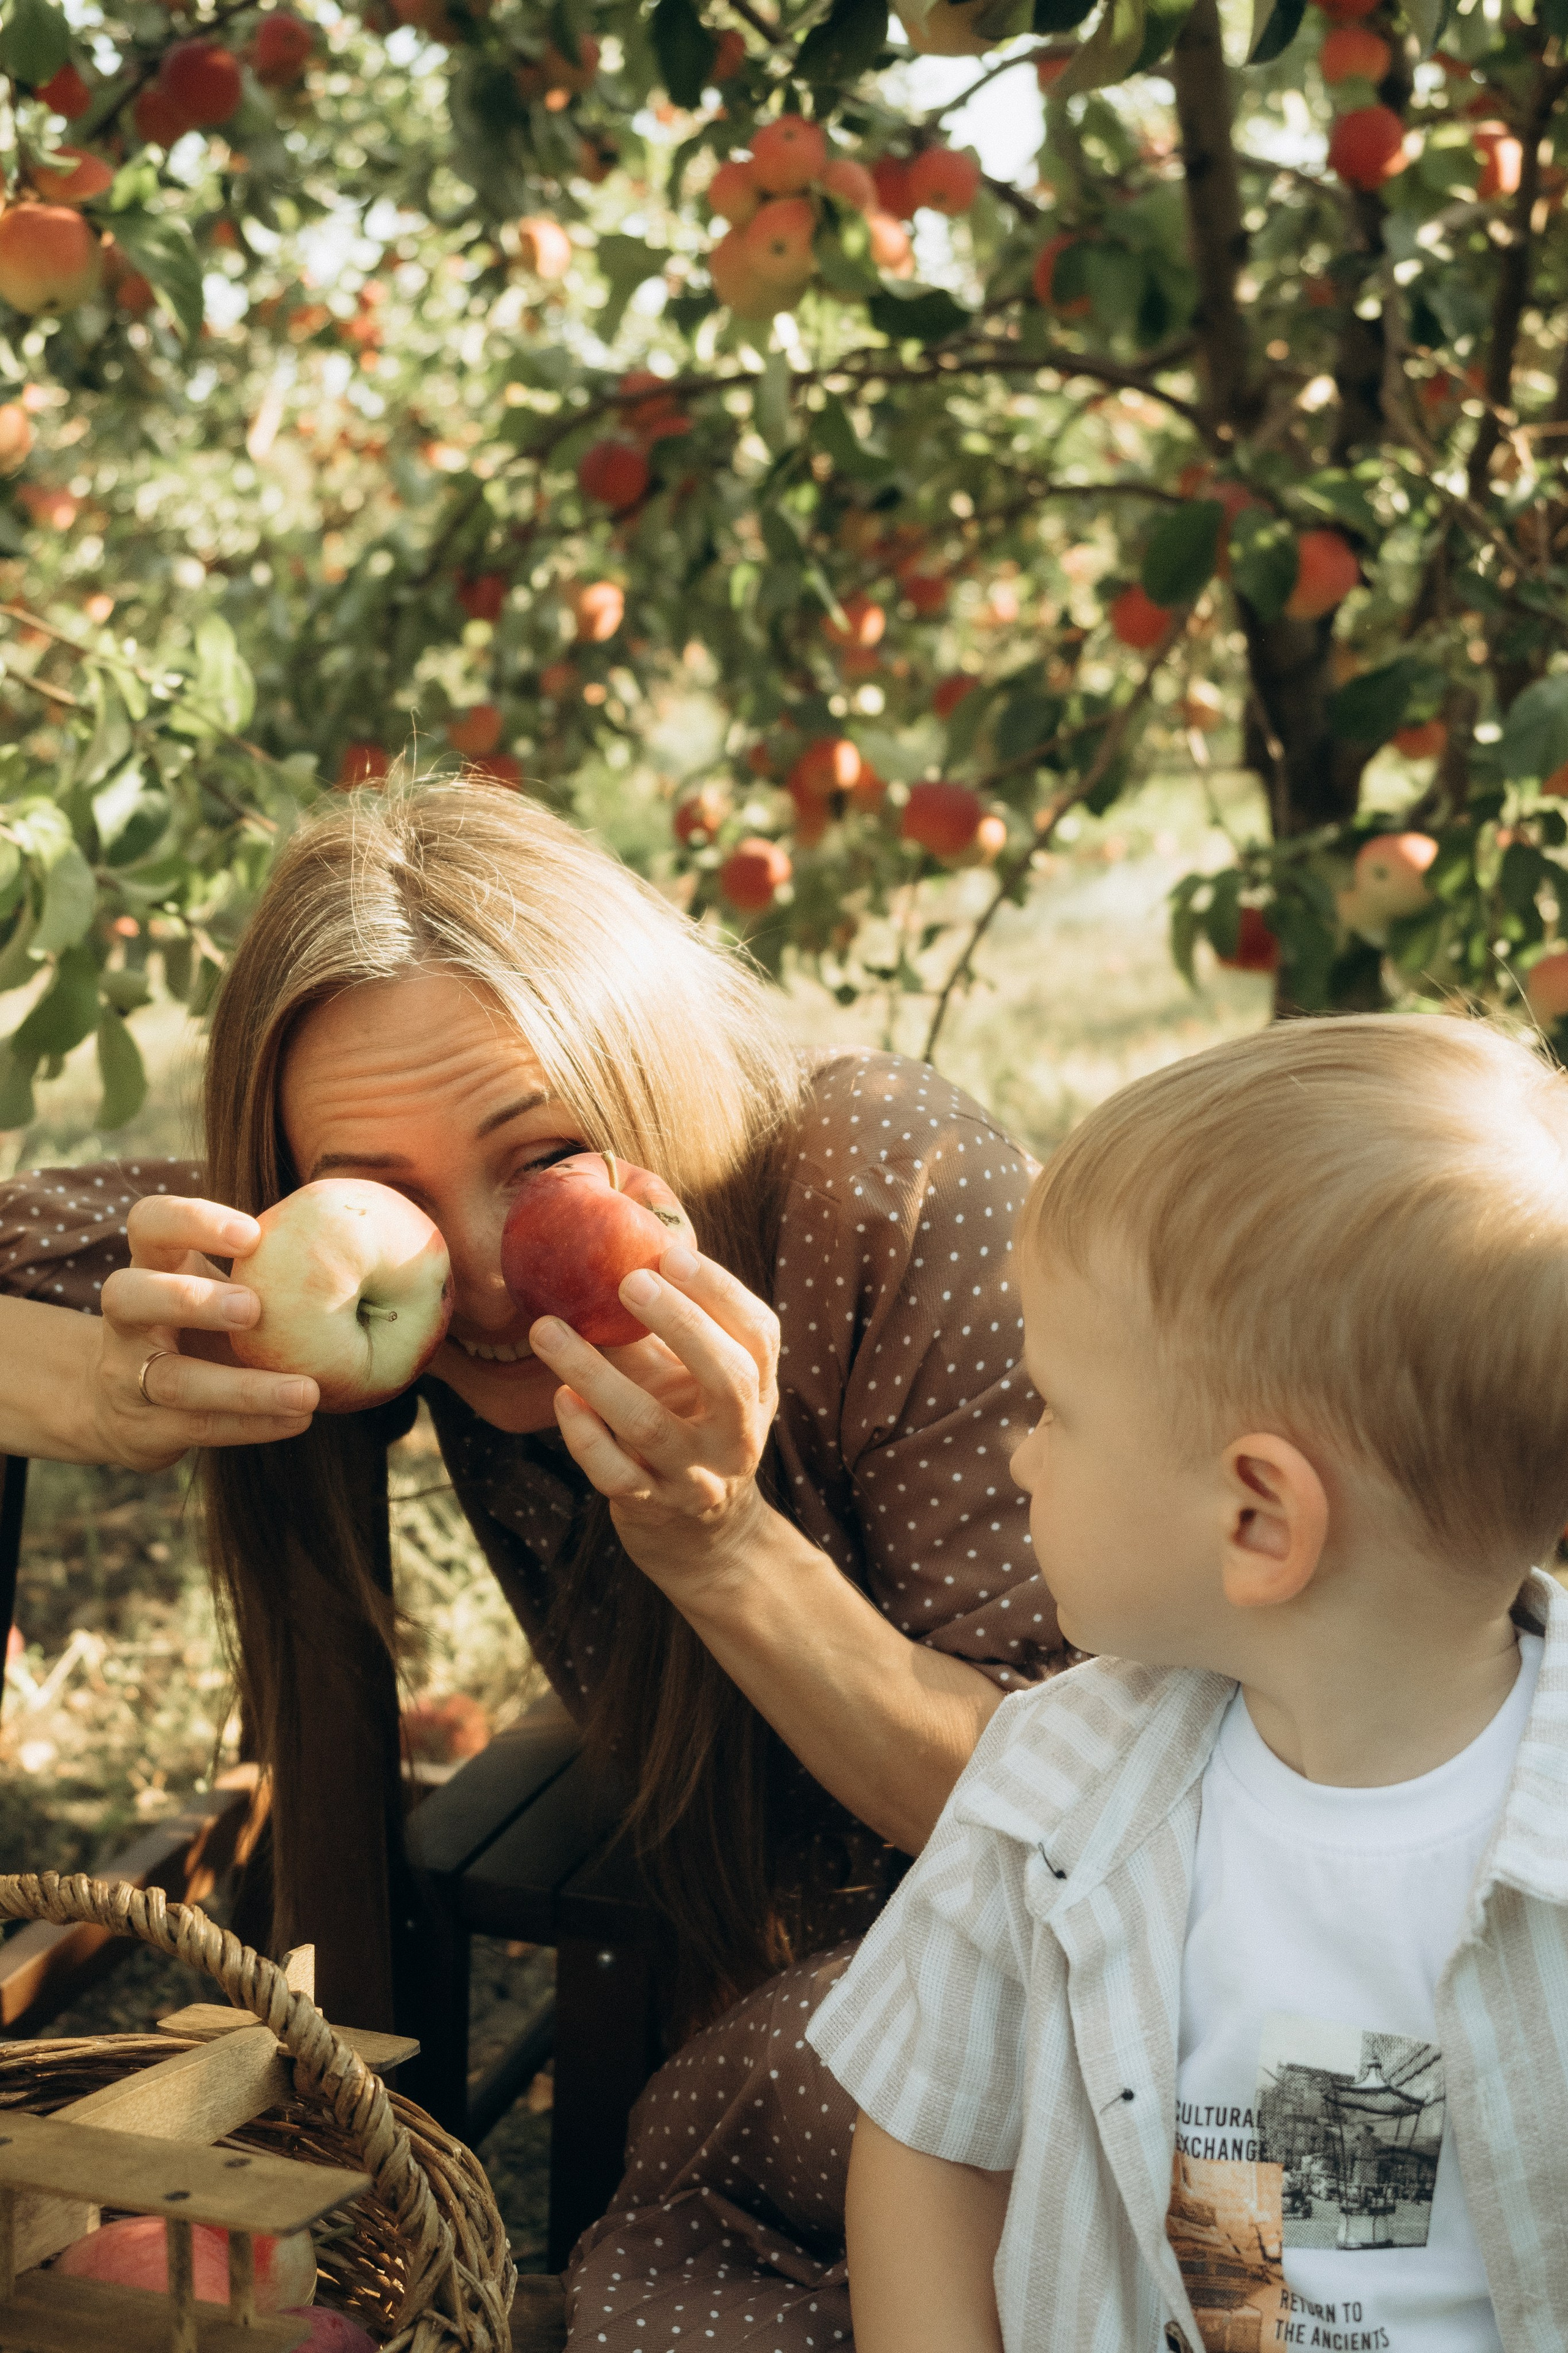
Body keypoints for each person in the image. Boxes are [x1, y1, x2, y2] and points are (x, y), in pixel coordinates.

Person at [0, 777, 1066, 2348]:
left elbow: (1079, 1833)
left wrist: (719, 1541)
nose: (485, 1272)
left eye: (543, 1154)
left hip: (1034, 1997)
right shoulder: (323, 1249)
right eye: (383, 1195)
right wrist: (105, 1386)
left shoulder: (883, 1188)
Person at [810, 1013, 1568, 2353]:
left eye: (1050, 1407)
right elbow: (930, 2138)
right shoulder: (1048, 1794)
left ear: (1256, 1522)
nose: (1019, 1459)